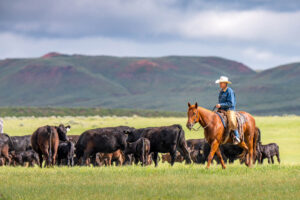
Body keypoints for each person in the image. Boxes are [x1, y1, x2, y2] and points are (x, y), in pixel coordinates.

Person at [215, 76, 240, 144]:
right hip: (222, 109)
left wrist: (221, 105)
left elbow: (231, 103)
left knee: (231, 120)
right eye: (220, 83)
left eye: (221, 83)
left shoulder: (229, 91)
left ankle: (237, 136)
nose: (220, 84)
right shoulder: (221, 92)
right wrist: (219, 107)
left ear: (225, 83)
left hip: (230, 109)